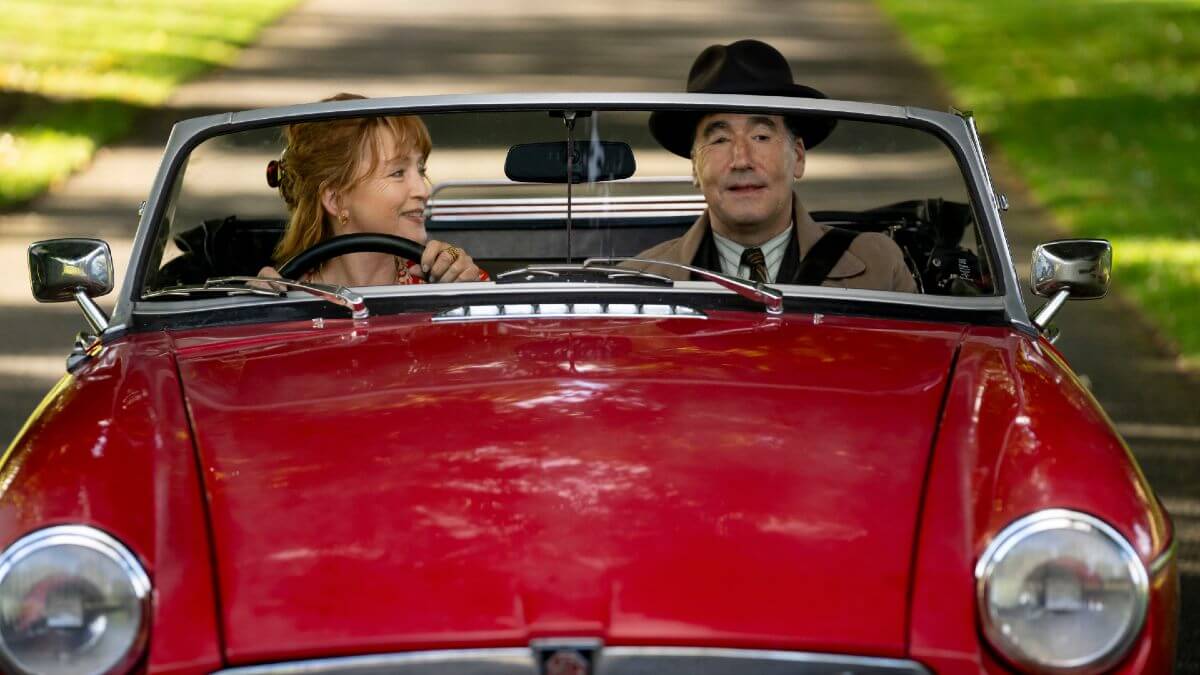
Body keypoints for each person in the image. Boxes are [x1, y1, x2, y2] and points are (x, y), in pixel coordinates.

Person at [633, 40, 916, 293]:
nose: (741, 160)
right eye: (719, 139)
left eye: (761, 137)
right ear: (695, 167)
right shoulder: (640, 282)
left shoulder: (878, 269)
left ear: (798, 157)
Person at [260, 93, 487, 286]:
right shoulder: (287, 294)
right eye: (397, 173)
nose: (423, 190)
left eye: (420, 170)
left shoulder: (443, 280)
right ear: (336, 200)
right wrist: (254, 309)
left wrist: (466, 283)